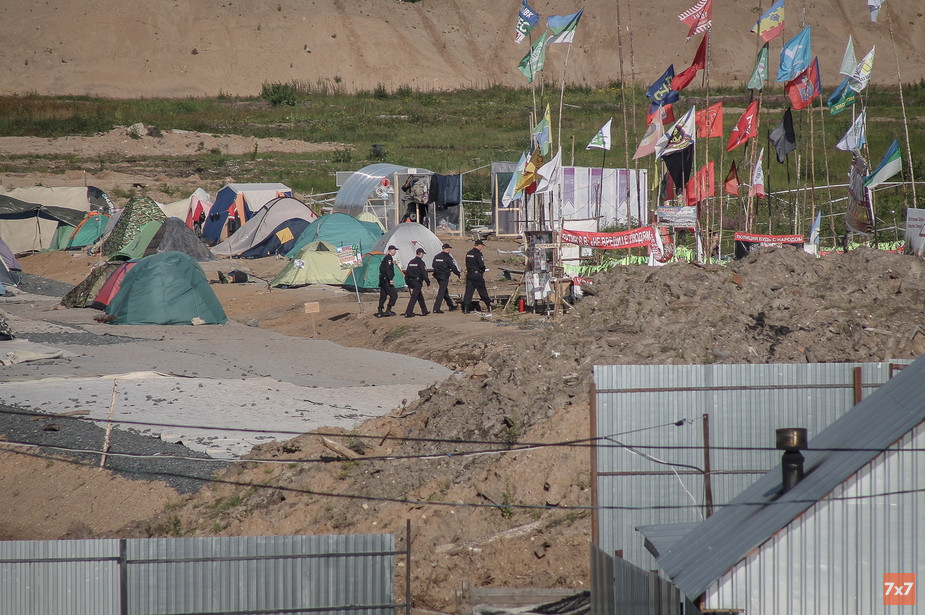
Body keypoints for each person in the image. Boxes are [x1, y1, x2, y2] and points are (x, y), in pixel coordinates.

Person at [463, 239, 492, 314]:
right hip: (477, 275)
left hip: (469, 274)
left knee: (468, 292)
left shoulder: (469, 253)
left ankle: (466, 308)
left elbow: (467, 264)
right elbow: (481, 265)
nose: (482, 247)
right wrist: (483, 270)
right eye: (481, 246)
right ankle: (489, 305)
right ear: (479, 245)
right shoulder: (478, 254)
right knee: (482, 291)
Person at [431, 243, 460, 313]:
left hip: (437, 276)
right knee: (441, 291)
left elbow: (433, 265)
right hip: (444, 276)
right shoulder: (448, 257)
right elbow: (453, 267)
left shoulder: (437, 256)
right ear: (448, 249)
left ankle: (451, 305)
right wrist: (458, 274)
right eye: (449, 248)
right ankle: (436, 308)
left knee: (444, 290)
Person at [403, 247, 431, 318]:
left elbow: (407, 273)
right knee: (414, 297)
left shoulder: (411, 262)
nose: (423, 255)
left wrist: (407, 283)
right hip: (417, 282)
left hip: (411, 281)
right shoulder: (421, 262)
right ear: (421, 253)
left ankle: (424, 310)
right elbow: (424, 273)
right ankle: (408, 312)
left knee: (419, 296)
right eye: (423, 254)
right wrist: (428, 283)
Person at [376, 245, 399, 317]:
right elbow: (387, 269)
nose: (395, 252)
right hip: (387, 280)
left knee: (383, 295)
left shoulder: (386, 258)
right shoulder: (388, 258)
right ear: (390, 250)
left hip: (383, 279)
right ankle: (388, 309)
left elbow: (382, 268)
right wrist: (390, 279)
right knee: (394, 295)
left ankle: (380, 310)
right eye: (394, 250)